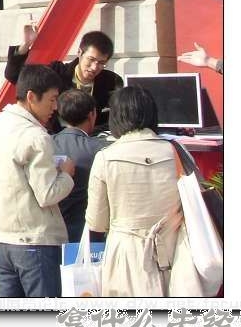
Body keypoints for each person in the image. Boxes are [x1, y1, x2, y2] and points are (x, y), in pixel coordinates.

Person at [85, 86, 204, 297]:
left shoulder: (105, 157)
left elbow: (97, 223)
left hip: (126, 257)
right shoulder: (177, 151)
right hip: (177, 254)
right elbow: (198, 200)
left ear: (116, 117)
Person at [0, 64, 76, 298]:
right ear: (31, 97)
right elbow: (48, 194)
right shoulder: (35, 136)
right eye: (52, 100)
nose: (55, 107)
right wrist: (66, 174)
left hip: (1, 240)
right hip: (34, 240)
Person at [4, 26, 123, 131]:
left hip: (93, 141)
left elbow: (117, 118)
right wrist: (25, 45)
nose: (94, 67)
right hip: (56, 139)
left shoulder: (111, 81)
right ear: (79, 52)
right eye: (91, 59)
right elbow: (14, 75)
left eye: (101, 63)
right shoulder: (57, 72)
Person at [51, 89, 110, 241]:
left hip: (52, 232)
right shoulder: (101, 149)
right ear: (92, 114)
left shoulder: (46, 144)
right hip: (88, 234)